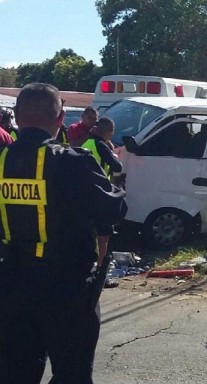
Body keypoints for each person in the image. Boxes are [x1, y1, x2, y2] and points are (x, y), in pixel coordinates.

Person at [0, 83, 127, 384]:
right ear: (60, 121)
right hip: (66, 289)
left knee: (14, 373)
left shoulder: (2, 161)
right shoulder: (73, 162)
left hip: (10, 286)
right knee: (72, 374)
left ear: (16, 118)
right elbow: (113, 210)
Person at [82, 116, 123, 265]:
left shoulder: (87, 142)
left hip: (86, 192)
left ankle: (89, 261)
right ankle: (100, 266)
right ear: (109, 132)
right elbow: (117, 167)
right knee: (104, 235)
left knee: (90, 232)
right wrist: (114, 154)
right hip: (101, 194)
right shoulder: (101, 145)